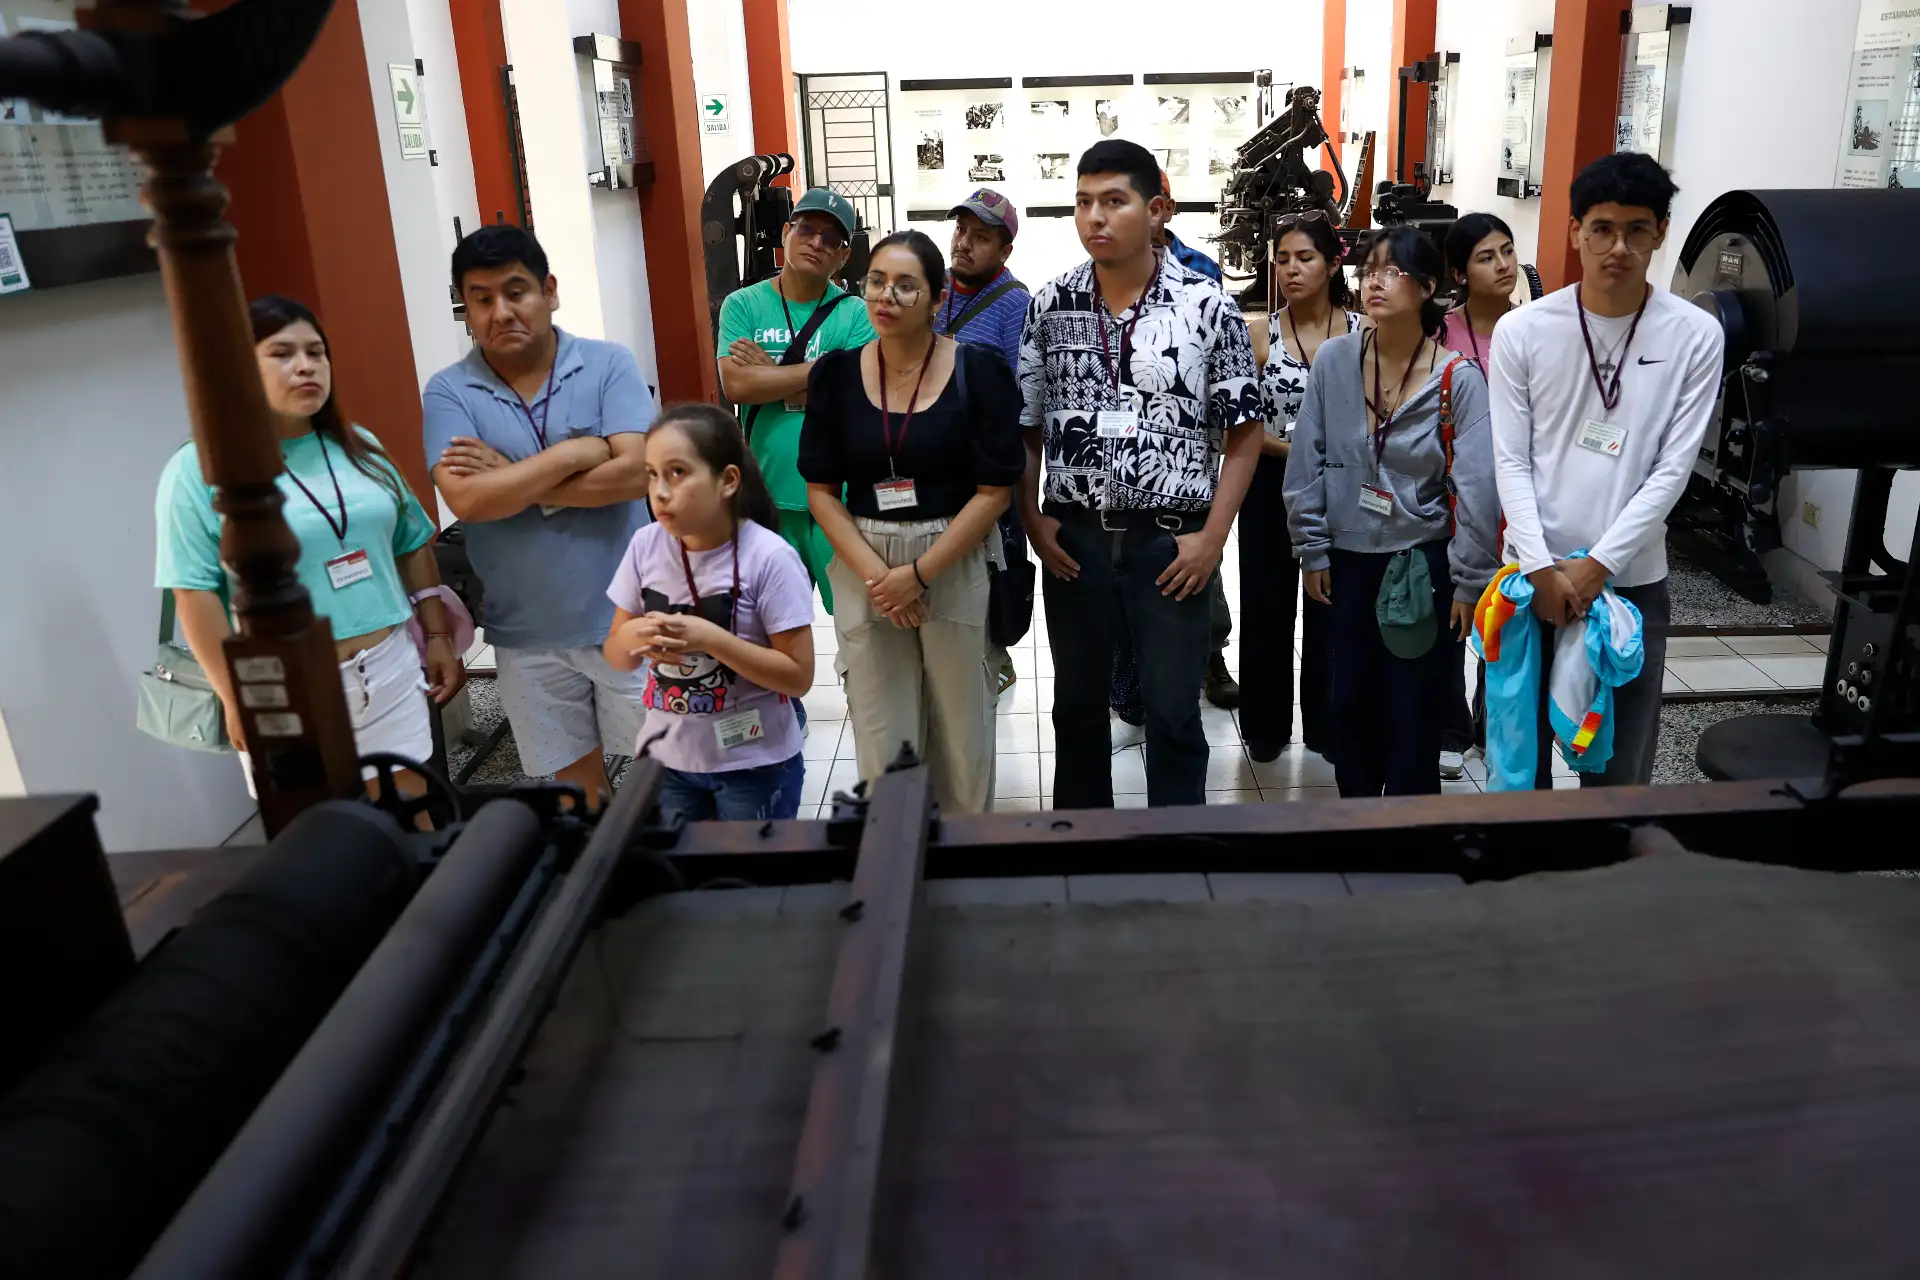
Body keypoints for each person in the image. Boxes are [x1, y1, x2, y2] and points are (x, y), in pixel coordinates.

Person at [1019, 139, 1264, 808]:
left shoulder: (1206, 307)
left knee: (1173, 711)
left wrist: (1213, 538)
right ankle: (1080, 843)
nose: (1094, 217)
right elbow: (1025, 427)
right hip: (1075, 541)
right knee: (1075, 707)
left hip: (1171, 541)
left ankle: (1177, 848)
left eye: (1113, 201)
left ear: (1155, 210)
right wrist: (1035, 521)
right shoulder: (1050, 305)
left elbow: (1245, 433)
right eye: (1083, 202)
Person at [157, 296, 463, 797]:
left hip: (388, 670)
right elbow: (194, 594)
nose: (305, 366)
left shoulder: (358, 445)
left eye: (316, 352)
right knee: (323, 842)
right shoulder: (198, 469)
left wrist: (436, 635)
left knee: (415, 826)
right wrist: (235, 698)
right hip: (285, 688)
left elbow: (411, 543)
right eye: (282, 353)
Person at [1487, 152, 1724, 788]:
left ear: (1660, 233)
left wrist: (1600, 565)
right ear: (1575, 232)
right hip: (1532, 578)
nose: (1618, 247)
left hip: (1633, 582)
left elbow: (1673, 470)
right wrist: (1539, 565)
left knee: (1618, 774)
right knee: (1519, 761)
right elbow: (1509, 458)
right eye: (1602, 228)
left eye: (1637, 230)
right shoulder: (1524, 330)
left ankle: (1607, 883)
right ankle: (1518, 881)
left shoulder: (1695, 334)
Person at [423, 224, 656, 808]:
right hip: (525, 635)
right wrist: (575, 454)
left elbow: (635, 473)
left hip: (628, 619)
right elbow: (469, 501)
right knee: (575, 795)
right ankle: (599, 889)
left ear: (549, 291)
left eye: (516, 291)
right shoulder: (449, 392)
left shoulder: (608, 365)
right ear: (467, 310)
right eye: (481, 298)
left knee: (667, 778)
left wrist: (512, 476)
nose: (501, 311)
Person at [800, 229, 1024, 814]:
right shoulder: (835, 376)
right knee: (881, 726)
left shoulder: (978, 372)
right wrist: (883, 578)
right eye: (877, 282)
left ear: (936, 296)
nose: (887, 297)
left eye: (906, 286)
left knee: (961, 723)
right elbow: (821, 492)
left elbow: (995, 491)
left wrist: (919, 574)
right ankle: (896, 860)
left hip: (950, 549)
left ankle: (965, 860)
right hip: (864, 558)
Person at [1283, 227, 1500, 798]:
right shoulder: (1335, 360)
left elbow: (1478, 488)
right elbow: (1307, 459)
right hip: (1346, 562)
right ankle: (1359, 828)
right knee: (1349, 706)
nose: (1373, 282)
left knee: (1412, 711)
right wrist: (1311, 548)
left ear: (1428, 286)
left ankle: (1409, 844)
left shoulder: (1458, 379)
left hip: (1421, 567)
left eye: (1391, 271)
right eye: (1367, 270)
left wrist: (1468, 582)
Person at [603, 405, 814, 821]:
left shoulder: (769, 558)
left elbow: (798, 676)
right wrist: (635, 637)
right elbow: (616, 654)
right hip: (667, 762)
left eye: (677, 473)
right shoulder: (646, 545)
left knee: (744, 882)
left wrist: (711, 639)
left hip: (755, 765)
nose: (660, 491)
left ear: (728, 480)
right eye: (652, 474)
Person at [717, 188, 877, 615]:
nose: (816, 242)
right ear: (786, 232)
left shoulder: (856, 313)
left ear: (843, 256)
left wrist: (768, 372)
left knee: (860, 631)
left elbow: (858, 389)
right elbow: (736, 386)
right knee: (769, 634)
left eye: (831, 239)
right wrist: (826, 370)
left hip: (841, 500)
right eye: (807, 229)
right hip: (767, 500)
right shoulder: (743, 305)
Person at [1243, 210, 1359, 763]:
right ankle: (1264, 726)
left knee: (1332, 603)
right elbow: (1238, 431)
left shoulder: (1364, 332)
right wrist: (1302, 452)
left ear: (1334, 262)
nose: (1291, 269)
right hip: (1270, 484)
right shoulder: (1259, 334)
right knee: (1266, 605)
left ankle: (1330, 722)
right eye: (1283, 259)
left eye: (1305, 258)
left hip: (1344, 488)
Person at [1435, 212, 1521, 778]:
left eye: (1508, 251)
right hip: (1451, 496)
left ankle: (1493, 726)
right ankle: (1447, 728)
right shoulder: (1440, 331)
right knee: (1449, 611)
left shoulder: (1535, 328)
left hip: (1517, 499)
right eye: (1486, 257)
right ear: (1460, 273)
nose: (1504, 265)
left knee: (1507, 616)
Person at [938, 187, 1033, 697]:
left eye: (981, 238)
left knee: (988, 567)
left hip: (983, 472)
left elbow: (1022, 395)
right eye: (961, 232)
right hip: (931, 465)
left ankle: (993, 655)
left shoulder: (1015, 304)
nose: (965, 245)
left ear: (1004, 251)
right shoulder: (935, 290)